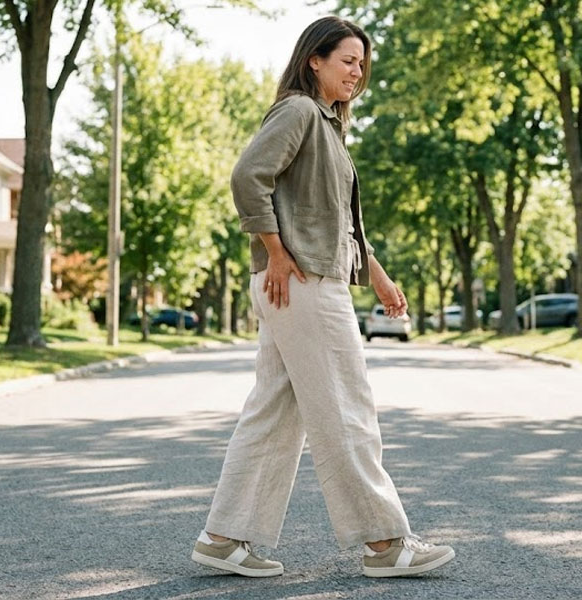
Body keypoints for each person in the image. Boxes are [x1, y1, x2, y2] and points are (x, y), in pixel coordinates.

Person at [191, 15, 455, 578]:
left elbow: (335, 222)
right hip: (302, 281)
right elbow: (247, 177)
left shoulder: (329, 127)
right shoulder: (300, 111)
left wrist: (377, 276)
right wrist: (277, 252)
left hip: (306, 279)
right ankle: (384, 543)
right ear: (315, 59)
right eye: (347, 60)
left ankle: (224, 538)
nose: (357, 72)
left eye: (362, 63)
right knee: (346, 406)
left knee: (275, 412)